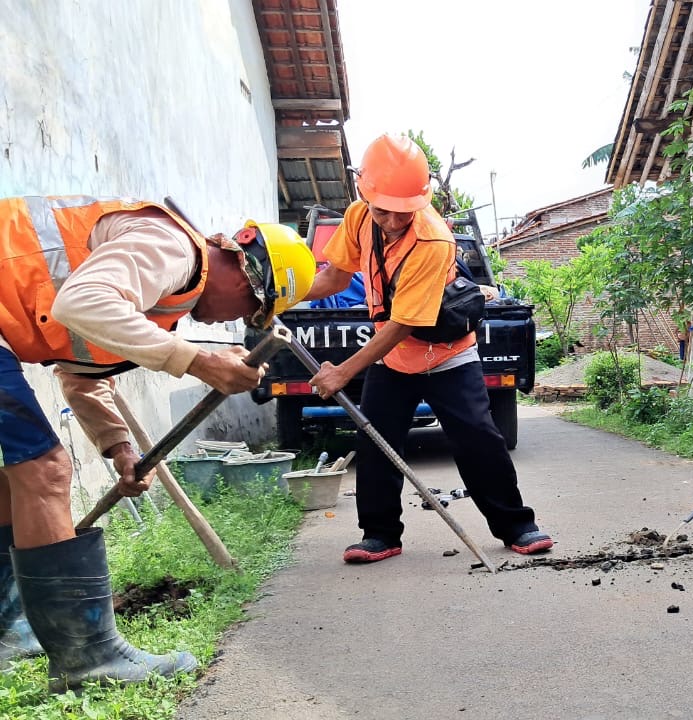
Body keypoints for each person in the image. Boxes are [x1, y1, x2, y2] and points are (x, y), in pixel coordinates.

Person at [0, 195, 314, 690]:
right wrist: (198, 361)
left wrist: (119, 449)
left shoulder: (168, 293)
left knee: (14, 478)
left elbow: (80, 372)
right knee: (44, 470)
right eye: (250, 311)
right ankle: (88, 659)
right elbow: (79, 303)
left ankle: (10, 633)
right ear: (245, 280)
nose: (230, 321)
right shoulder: (173, 248)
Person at [305, 134, 552, 563]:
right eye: (382, 210)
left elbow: (404, 322)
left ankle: (516, 524)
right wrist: (282, 296)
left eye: (403, 211)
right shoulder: (358, 217)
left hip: (447, 355)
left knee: (478, 439)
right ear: (365, 195)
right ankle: (380, 535)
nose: (391, 220)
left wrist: (344, 371)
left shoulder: (433, 239)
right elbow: (336, 277)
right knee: (376, 440)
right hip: (393, 361)